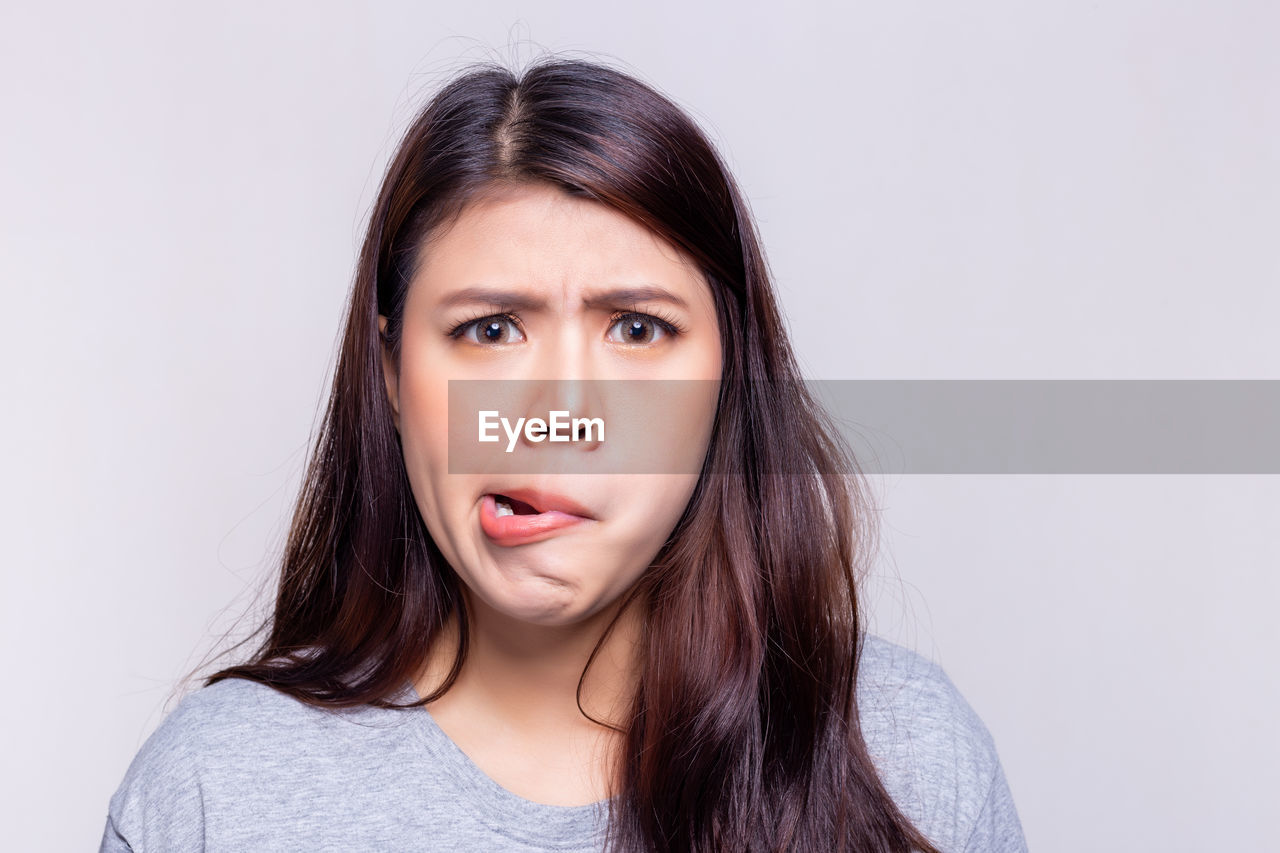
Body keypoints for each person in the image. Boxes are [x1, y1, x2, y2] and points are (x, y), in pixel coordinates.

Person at [100, 55, 1027, 852]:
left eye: (636, 328)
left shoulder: (907, 756)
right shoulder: (217, 790)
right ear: (388, 369)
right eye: (491, 329)